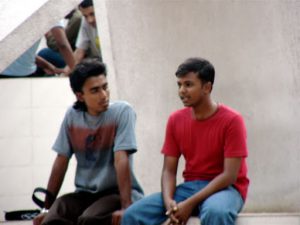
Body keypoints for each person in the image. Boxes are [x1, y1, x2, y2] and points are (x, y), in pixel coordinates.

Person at [122, 57, 249, 225]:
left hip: (225, 190)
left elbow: (229, 176)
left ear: (207, 87)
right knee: (132, 215)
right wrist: (169, 202)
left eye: (188, 84)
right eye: (179, 85)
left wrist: (189, 204)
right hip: (190, 187)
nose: (182, 90)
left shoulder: (232, 120)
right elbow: (168, 171)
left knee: (215, 212)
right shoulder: (175, 120)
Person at [33, 58, 143, 225]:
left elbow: (121, 159)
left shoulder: (122, 112)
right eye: (95, 90)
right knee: (52, 219)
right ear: (80, 96)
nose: (104, 95)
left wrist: (126, 207)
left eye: (105, 87)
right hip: (84, 194)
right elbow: (61, 161)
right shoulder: (72, 116)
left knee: (89, 220)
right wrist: (46, 209)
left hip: (115, 193)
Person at [37, 9, 82, 73]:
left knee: (44, 54)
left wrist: (47, 32)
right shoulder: (75, 16)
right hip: (76, 54)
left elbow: (58, 44)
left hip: (77, 58)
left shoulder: (77, 18)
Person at [74, 0, 102, 65]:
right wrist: (64, 74)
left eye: (92, 14)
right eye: (85, 16)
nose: (90, 20)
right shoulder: (85, 21)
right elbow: (79, 52)